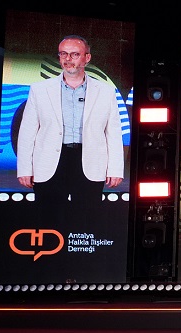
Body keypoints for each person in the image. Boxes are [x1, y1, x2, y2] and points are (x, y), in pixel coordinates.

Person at [17, 35, 124, 214]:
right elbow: (27, 132)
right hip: (50, 162)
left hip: (89, 162)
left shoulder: (106, 92)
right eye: (63, 54)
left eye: (74, 54)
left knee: (86, 218)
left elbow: (113, 133)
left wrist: (115, 169)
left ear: (87, 58)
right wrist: (25, 169)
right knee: (49, 217)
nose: (68, 59)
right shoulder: (39, 90)